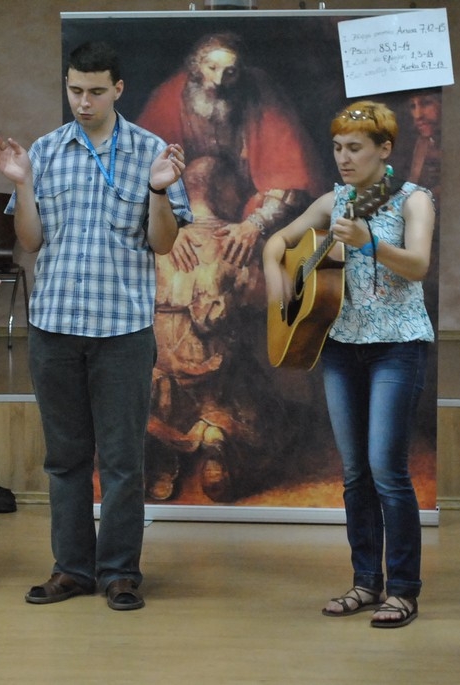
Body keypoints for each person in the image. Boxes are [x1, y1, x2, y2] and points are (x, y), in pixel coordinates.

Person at [0, 41, 192, 611]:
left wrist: (158, 189)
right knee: (65, 458)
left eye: (96, 91)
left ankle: (120, 572)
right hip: (54, 326)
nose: (83, 101)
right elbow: (30, 241)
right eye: (75, 90)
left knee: (123, 461)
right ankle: (72, 569)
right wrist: (21, 182)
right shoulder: (46, 151)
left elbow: (163, 243)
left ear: (118, 90)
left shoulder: (152, 152)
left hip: (122, 330)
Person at [262, 101, 435, 628]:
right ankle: (365, 581)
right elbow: (277, 241)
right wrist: (277, 280)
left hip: (397, 344)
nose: (343, 157)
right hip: (339, 345)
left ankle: (402, 589)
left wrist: (370, 243)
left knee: (386, 468)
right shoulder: (331, 201)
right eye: (338, 147)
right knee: (355, 471)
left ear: (385, 150)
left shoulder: (414, 200)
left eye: (355, 148)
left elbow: (418, 265)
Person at [136, 32, 326, 502]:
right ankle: (166, 443)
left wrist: (253, 225)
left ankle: (221, 435)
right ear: (195, 68)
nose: (220, 81)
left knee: (231, 292)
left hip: (247, 219)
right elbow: (141, 178)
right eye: (211, 69)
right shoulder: (169, 98)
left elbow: (288, 176)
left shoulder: (259, 96)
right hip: (177, 224)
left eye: (230, 71)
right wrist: (172, 226)